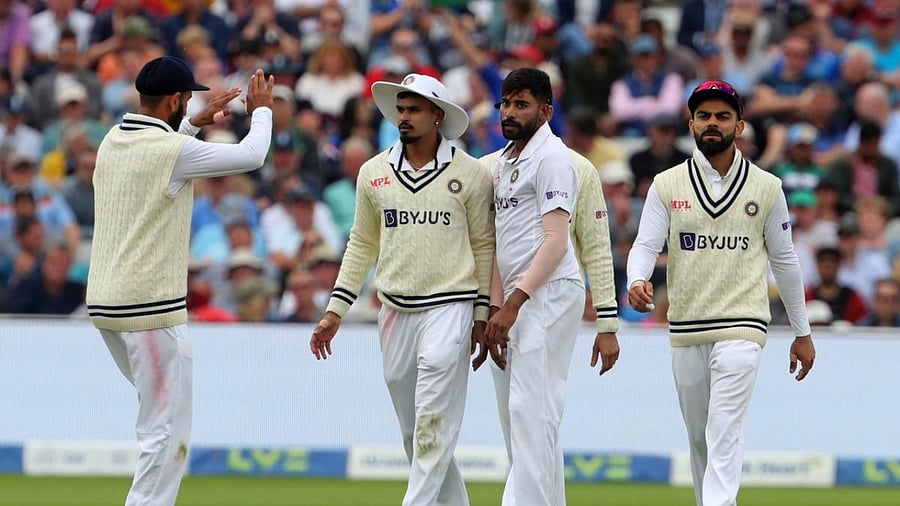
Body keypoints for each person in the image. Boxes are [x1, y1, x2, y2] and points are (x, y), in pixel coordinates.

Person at [85, 56, 273, 506]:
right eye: (187, 99)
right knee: (166, 432)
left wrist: (191, 124)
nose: (189, 104)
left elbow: (160, 162)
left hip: (107, 305)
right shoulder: (173, 152)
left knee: (159, 422)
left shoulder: (113, 140)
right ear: (174, 100)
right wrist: (263, 110)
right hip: (149, 309)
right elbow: (252, 155)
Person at [627, 79, 816, 506]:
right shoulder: (666, 184)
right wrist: (637, 279)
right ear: (691, 123)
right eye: (704, 116)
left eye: (723, 116)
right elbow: (645, 245)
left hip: (742, 326)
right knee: (700, 438)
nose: (712, 123)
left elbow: (785, 261)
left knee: (724, 431)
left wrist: (802, 331)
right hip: (687, 327)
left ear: (740, 126)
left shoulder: (767, 187)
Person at [308, 74, 494, 506]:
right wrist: (335, 310)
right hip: (393, 307)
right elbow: (362, 243)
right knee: (416, 431)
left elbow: (485, 246)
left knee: (432, 420)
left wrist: (481, 315)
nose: (404, 117)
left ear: (438, 116)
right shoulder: (374, 172)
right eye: (401, 110)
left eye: (414, 110)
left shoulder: (470, 173)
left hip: (451, 304)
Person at [480, 67, 586, 506]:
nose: (509, 112)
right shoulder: (503, 162)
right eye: (505, 103)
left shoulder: (553, 160)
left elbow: (556, 242)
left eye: (521, 104)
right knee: (525, 416)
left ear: (545, 111)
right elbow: (500, 244)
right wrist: (494, 307)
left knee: (531, 411)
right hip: (516, 301)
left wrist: (513, 305)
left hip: (550, 293)